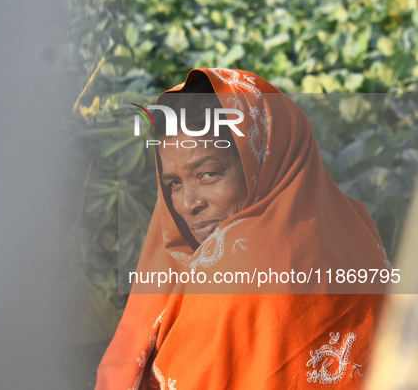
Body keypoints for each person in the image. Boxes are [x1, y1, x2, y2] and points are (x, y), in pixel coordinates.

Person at [96, 68, 389, 389]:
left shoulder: (231, 279)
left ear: (260, 160)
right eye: (173, 183)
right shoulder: (354, 221)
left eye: (208, 174)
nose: (186, 203)